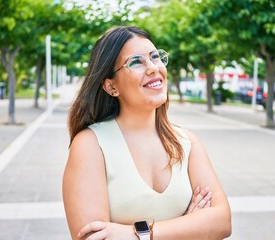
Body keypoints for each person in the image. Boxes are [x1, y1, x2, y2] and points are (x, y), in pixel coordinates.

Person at [63, 26, 231, 240]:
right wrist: (189, 227)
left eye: (155, 57)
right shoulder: (91, 144)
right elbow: (94, 238)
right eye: (136, 62)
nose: (153, 68)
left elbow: (222, 221)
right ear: (111, 86)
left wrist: (137, 234)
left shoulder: (186, 142)